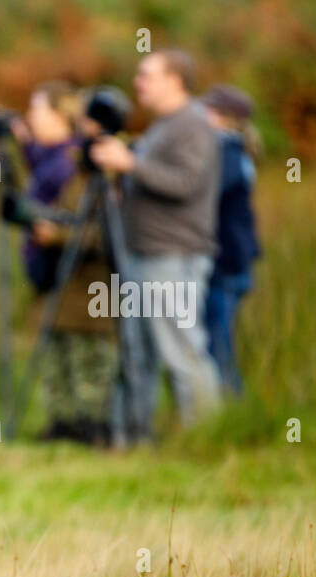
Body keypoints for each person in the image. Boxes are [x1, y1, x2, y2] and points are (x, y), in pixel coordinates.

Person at [90, 49, 221, 443]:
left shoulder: (192, 125)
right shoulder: (163, 125)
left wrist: (129, 164)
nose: (138, 83)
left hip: (172, 256)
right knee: (138, 354)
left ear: (175, 81)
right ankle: (135, 440)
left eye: (147, 75)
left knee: (181, 352)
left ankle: (206, 439)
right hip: (143, 254)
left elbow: (184, 183)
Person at [12, 81, 117, 446]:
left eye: (37, 110)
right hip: (55, 280)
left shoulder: (85, 170)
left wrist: (55, 234)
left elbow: (103, 232)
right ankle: (64, 426)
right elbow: (43, 166)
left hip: (87, 285)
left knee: (88, 360)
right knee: (57, 358)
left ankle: (94, 429)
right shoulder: (57, 163)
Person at [201, 84, 261, 395]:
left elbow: (206, 195)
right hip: (231, 262)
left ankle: (228, 413)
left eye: (208, 111)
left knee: (218, 346)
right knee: (215, 343)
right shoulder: (233, 151)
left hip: (226, 264)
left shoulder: (228, 153)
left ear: (226, 118)